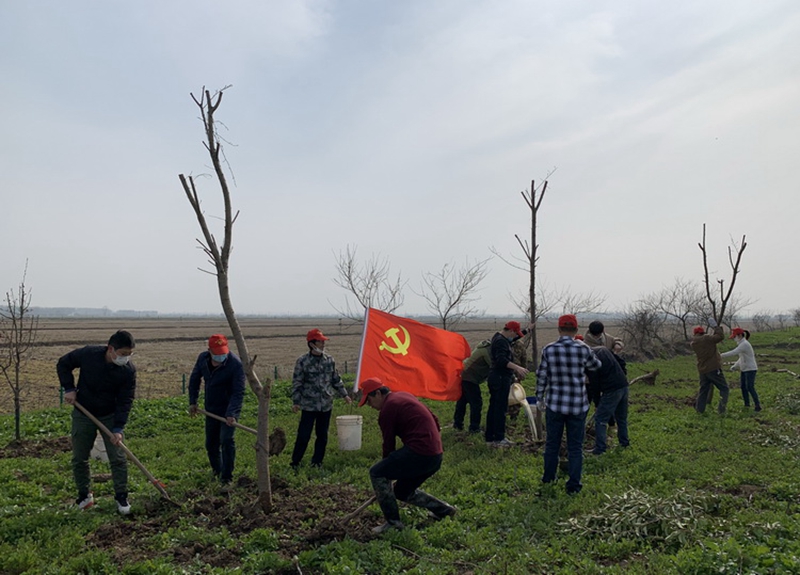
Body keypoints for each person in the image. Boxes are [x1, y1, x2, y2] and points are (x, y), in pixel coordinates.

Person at [359, 377, 457, 534]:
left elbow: (388, 445)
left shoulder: (388, 409)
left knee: (376, 472)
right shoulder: (404, 395)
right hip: (435, 455)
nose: (369, 406)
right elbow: (435, 419)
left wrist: (387, 473)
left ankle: (393, 523)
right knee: (402, 491)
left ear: (377, 393)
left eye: (369, 401)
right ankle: (443, 510)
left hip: (420, 453)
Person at [56, 330, 137, 514]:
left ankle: (121, 497)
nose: (126, 358)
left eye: (130, 354)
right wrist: (69, 388)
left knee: (117, 458)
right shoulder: (89, 354)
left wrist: (118, 428)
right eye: (123, 354)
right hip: (83, 412)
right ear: (111, 349)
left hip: (109, 415)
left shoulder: (128, 371)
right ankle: (84, 496)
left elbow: (125, 401)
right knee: (79, 457)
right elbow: (63, 363)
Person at [536, 315, 601, 495]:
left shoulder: (548, 349)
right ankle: (574, 485)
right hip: (578, 405)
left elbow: (541, 376)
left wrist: (540, 398)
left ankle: (548, 479)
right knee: (575, 447)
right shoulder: (584, 349)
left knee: (552, 445)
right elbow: (596, 365)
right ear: (576, 330)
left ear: (559, 329)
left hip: (555, 404)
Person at [189, 334, 246, 486]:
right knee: (211, 444)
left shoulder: (235, 364)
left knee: (227, 440)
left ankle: (227, 478)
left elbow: (238, 392)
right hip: (211, 408)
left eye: (223, 352)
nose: (221, 356)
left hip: (228, 409)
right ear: (209, 350)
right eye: (217, 353)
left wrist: (231, 413)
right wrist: (192, 402)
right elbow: (194, 380)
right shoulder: (203, 359)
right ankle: (218, 471)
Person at [290, 328, 352, 469]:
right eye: (320, 341)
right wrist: (296, 401)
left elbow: (336, 379)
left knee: (322, 436)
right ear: (312, 344)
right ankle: (295, 462)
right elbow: (297, 382)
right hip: (308, 405)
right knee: (304, 436)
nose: (323, 344)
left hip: (326, 405)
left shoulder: (329, 360)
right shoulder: (302, 361)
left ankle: (317, 462)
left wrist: (345, 394)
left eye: (323, 341)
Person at [485, 321, 529, 447]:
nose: (514, 336)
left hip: (497, 377)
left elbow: (515, 337)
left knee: (494, 408)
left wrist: (528, 330)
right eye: (515, 333)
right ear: (510, 331)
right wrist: (517, 368)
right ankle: (499, 438)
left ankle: (490, 438)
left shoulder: (499, 337)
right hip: (500, 378)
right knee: (499, 409)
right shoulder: (501, 342)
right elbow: (501, 360)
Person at [585, 344, 630, 455]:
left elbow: (594, 384)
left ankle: (600, 449)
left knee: (600, 419)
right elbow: (621, 362)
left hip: (611, 390)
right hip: (623, 385)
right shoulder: (603, 349)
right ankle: (624, 442)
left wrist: (597, 403)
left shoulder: (590, 359)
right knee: (621, 418)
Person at [453, 339, 491, 433]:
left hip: (464, 375)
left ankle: (458, 424)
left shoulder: (485, 347)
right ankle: (474, 428)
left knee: (462, 401)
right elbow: (493, 365)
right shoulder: (487, 351)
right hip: (470, 378)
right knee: (476, 403)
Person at [691, 322, 730, 415]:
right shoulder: (706, 338)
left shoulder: (693, 343)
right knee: (724, 389)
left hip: (702, 370)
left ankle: (699, 410)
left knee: (703, 390)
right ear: (702, 333)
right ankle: (721, 410)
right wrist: (716, 327)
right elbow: (720, 337)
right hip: (713, 368)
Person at [722, 328, 760, 411]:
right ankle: (747, 404)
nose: (734, 339)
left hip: (750, 369)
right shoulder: (741, 344)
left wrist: (720, 355)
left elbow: (733, 352)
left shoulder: (744, 344)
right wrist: (735, 366)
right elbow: (741, 358)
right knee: (743, 387)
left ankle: (757, 405)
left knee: (750, 387)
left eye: (735, 336)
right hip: (744, 369)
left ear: (739, 335)